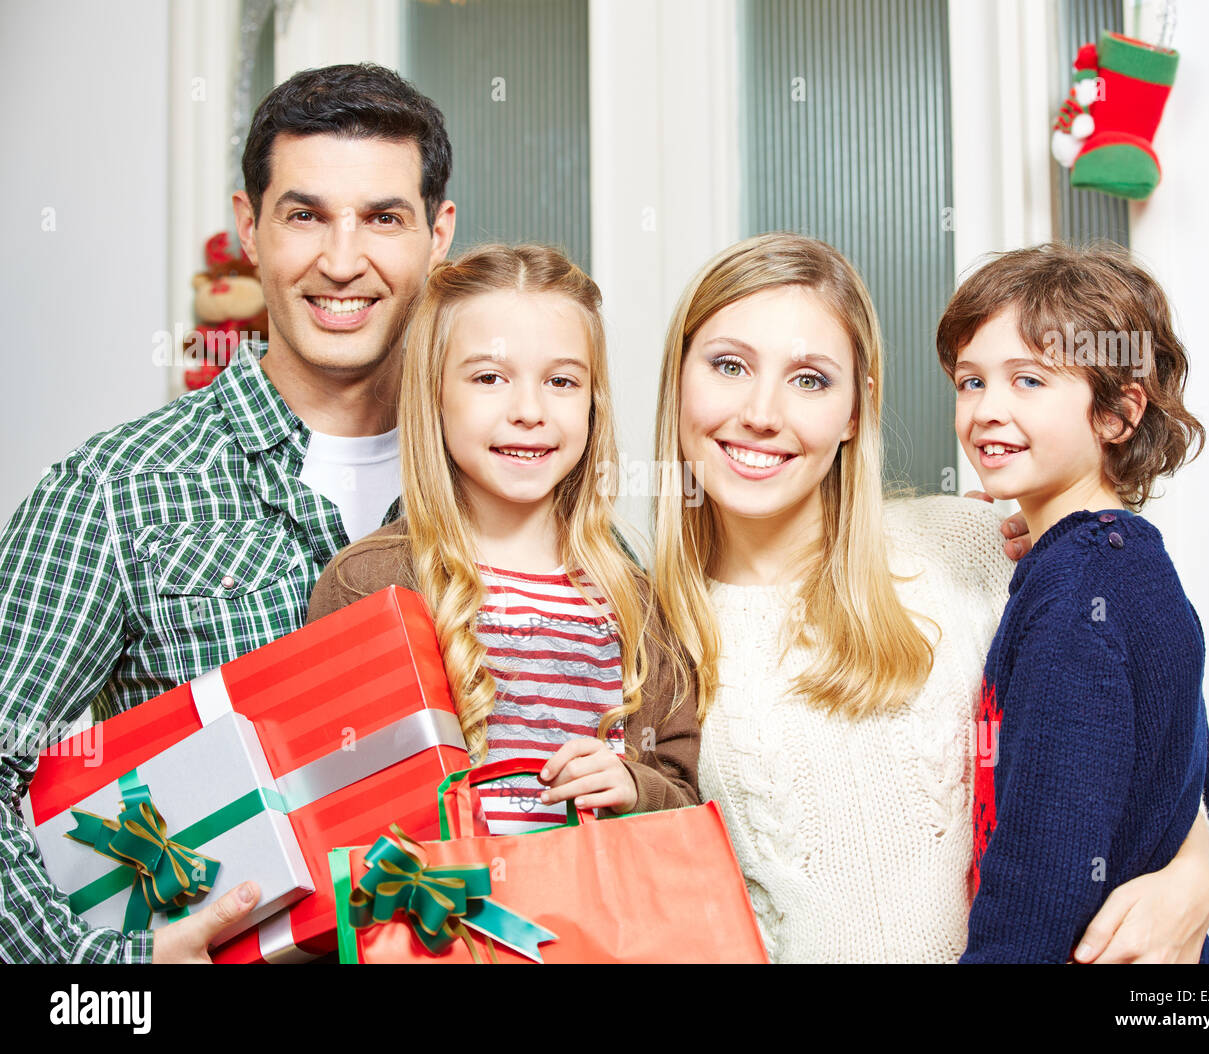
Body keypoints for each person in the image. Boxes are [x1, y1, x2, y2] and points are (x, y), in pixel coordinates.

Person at [650, 232, 1209, 963]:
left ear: (857, 410)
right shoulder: (645, 623)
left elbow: (1162, 739)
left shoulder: (985, 541)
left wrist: (1192, 874)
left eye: (810, 379)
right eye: (729, 365)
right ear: (679, 378)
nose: (762, 412)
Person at [0, 63, 455, 963]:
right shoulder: (114, 488)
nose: (341, 259)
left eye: (383, 217)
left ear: (438, 234)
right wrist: (105, 976)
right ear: (249, 228)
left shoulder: (498, 479)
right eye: (305, 214)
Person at [306, 244, 699, 830]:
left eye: (561, 381)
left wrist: (633, 786)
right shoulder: (368, 585)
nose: (529, 410)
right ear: (434, 395)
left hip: (594, 915)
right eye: (490, 377)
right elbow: (331, 802)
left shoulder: (637, 602)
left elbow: (685, 798)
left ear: (592, 402)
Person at [938, 243, 1209, 962]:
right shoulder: (1130, 562)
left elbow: (1042, 867)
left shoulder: (1077, 594)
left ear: (1117, 415)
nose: (986, 410)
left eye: (1028, 380)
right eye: (971, 382)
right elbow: (1197, 775)